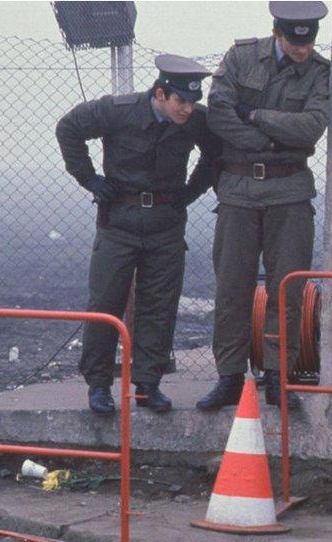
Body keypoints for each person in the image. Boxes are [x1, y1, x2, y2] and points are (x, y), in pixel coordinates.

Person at [56, 54, 222, 415]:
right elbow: (68, 128)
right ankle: (99, 385)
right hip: (119, 223)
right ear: (160, 93)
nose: (188, 109)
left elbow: (215, 154)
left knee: (160, 305)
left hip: (166, 225)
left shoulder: (195, 121)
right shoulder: (119, 111)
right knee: (105, 303)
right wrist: (90, 180)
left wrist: (189, 193)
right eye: (181, 100)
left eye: (193, 101)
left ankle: (148, 384)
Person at [196, 1, 330, 411]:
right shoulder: (240, 57)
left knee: (286, 290)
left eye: (308, 43)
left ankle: (278, 377)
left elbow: (311, 127)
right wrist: (270, 141)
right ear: (278, 32)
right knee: (232, 288)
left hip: (289, 192)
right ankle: (230, 378)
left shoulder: (321, 72)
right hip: (237, 191)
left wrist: (254, 114)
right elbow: (219, 114)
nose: (302, 50)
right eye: (294, 41)